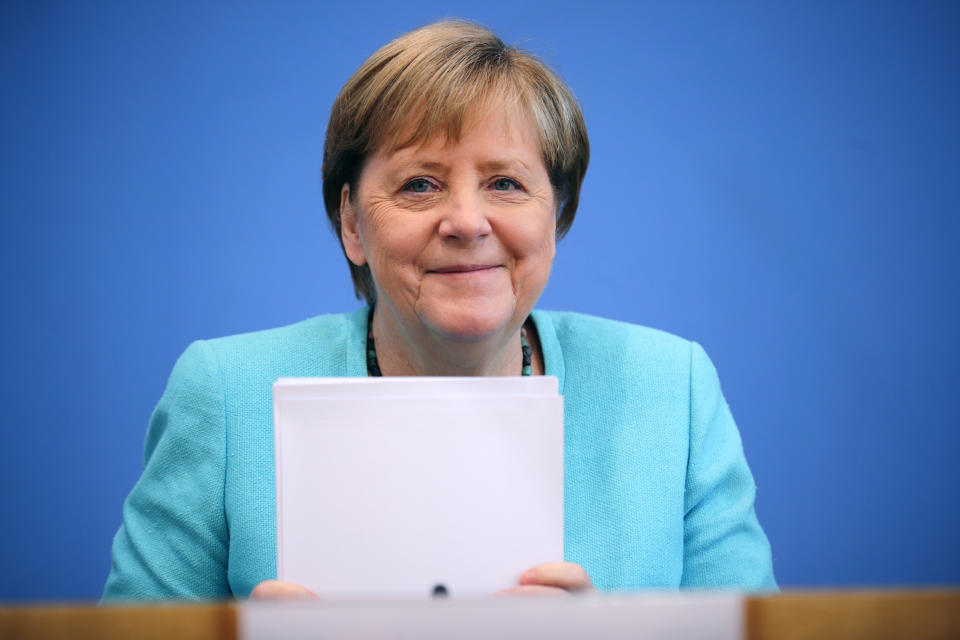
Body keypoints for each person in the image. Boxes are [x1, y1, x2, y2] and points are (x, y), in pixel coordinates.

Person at [102, 20, 776, 601]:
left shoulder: (672, 389)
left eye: (506, 183)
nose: (466, 221)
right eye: (419, 184)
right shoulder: (223, 392)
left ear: (556, 213)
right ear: (351, 224)